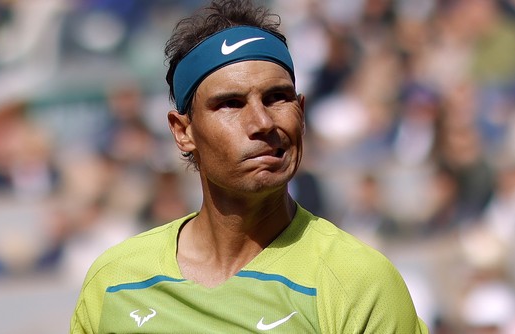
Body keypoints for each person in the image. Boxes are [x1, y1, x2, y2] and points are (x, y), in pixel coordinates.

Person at [70, 0, 429, 333]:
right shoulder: (115, 282)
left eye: (277, 98)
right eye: (230, 103)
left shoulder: (359, 283)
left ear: (301, 113)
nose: (262, 122)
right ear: (183, 131)